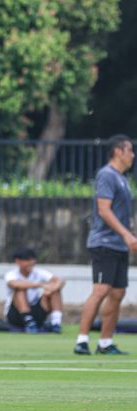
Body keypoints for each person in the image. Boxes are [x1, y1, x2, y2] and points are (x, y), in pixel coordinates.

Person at [75, 134, 135, 355]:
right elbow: (104, 210)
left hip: (119, 245)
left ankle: (105, 342)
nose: (133, 155)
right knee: (101, 290)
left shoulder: (122, 179)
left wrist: (130, 233)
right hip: (104, 243)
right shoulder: (107, 175)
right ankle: (82, 340)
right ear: (118, 151)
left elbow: (123, 213)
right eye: (130, 150)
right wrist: (127, 235)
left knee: (117, 294)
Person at [4, 247, 64, 334]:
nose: (31, 262)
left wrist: (51, 289)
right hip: (16, 314)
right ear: (18, 261)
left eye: (33, 259)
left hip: (36, 311)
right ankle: (28, 321)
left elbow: (60, 280)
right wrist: (41, 285)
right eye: (27, 260)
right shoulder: (11, 274)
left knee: (55, 291)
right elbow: (14, 284)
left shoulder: (39, 272)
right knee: (20, 290)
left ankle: (56, 323)